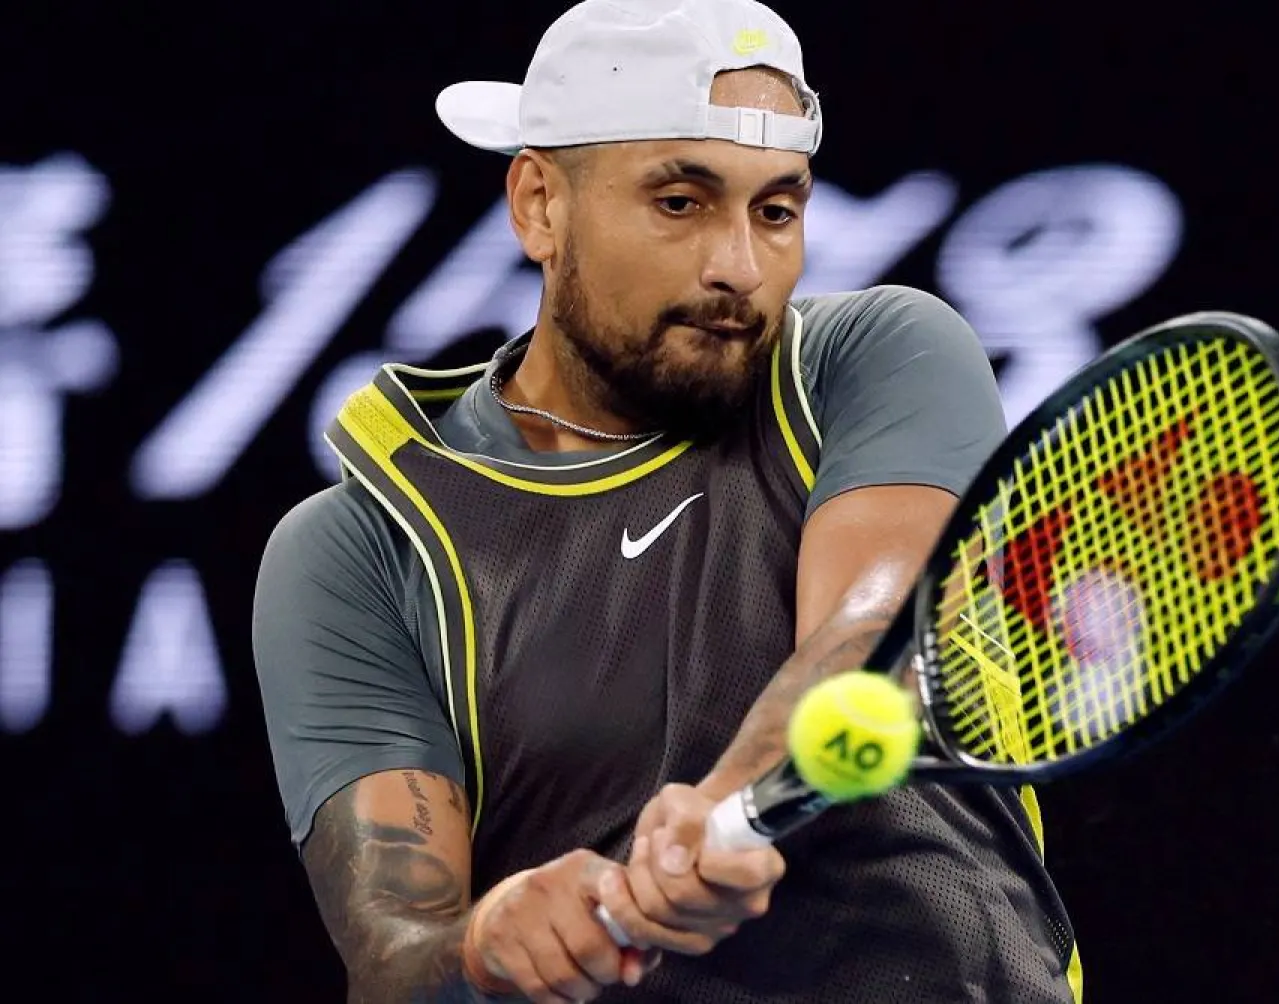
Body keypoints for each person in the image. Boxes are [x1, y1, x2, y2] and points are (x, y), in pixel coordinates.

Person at [252, 0, 1081, 1000]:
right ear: (538, 206)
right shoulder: (361, 548)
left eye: (776, 210)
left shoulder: (879, 356)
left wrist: (720, 811)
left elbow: (873, 639)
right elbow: (393, 955)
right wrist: (484, 945)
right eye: (680, 203)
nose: (739, 267)